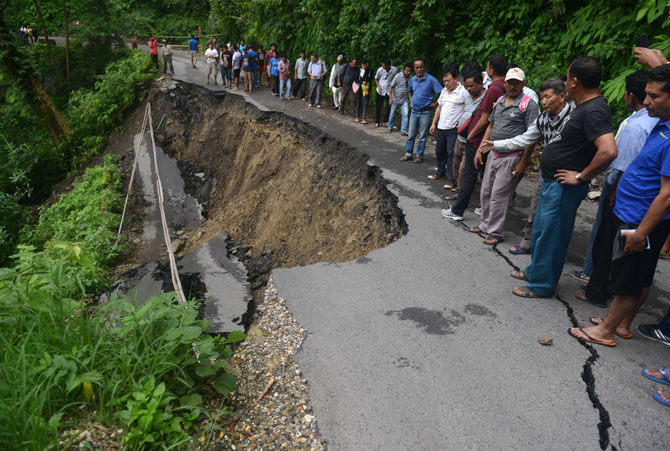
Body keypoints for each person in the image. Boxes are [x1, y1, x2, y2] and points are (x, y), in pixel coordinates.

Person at [568, 64, 670, 347]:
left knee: (629, 277)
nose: (646, 101)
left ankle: (606, 331)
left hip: (641, 219)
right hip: (633, 212)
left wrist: (641, 233)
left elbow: (667, 194)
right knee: (637, 273)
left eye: (654, 96)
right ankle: (620, 323)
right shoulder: (662, 123)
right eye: (646, 95)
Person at [510, 57, 617, 298]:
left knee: (552, 236)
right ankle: (535, 271)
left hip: (564, 186)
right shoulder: (583, 107)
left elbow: (609, 150)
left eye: (567, 77)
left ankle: (541, 286)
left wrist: (581, 176)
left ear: (574, 82)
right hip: (551, 182)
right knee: (541, 231)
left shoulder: (595, 110)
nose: (565, 81)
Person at [574, 70, 658, 308]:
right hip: (644, 197)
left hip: (624, 194)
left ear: (631, 95)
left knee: (607, 242)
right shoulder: (658, 122)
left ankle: (597, 291)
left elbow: (624, 164)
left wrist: (613, 191)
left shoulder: (637, 126)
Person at [482, 79, 573, 255]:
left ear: (562, 96)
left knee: (555, 218)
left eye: (548, 97)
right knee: (537, 208)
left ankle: (549, 256)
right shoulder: (543, 118)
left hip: (566, 176)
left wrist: (581, 175)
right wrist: (497, 144)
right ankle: (531, 245)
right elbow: (525, 138)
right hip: (547, 173)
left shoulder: (574, 118)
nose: (544, 101)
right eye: (542, 97)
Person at [470, 67, 539, 245]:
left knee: (499, 195)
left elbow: (532, 137)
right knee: (486, 191)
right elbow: (491, 126)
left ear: (523, 84)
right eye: (510, 82)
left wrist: (523, 163)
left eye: (517, 83)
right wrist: (481, 149)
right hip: (494, 153)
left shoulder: (528, 105)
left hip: (512, 156)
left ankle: (495, 232)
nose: (513, 86)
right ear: (506, 83)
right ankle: (485, 225)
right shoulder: (500, 100)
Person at [441, 54, 507, 216]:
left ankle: (458, 211)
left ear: (491, 69)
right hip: (492, 140)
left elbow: (485, 119)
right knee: (486, 175)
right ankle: (485, 209)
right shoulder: (505, 88)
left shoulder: (493, 91)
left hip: (479, 140)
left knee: (470, 175)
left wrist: (471, 135)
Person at [428, 62, 468, 188]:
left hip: (453, 129)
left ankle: (451, 179)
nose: (446, 83)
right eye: (444, 81)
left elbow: (468, 109)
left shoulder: (463, 92)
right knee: (440, 151)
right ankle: (440, 172)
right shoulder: (444, 91)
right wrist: (434, 123)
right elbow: (439, 107)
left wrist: (461, 123)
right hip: (442, 127)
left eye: (448, 81)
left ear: (455, 79)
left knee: (451, 154)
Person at [449, 70, 486, 194]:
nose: (468, 89)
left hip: (473, 139)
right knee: (456, 161)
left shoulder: (485, 98)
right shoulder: (466, 95)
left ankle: (461, 191)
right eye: (467, 86)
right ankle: (456, 184)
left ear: (480, 84)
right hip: (460, 136)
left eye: (471, 86)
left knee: (465, 168)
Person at [400, 58, 443, 163]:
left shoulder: (431, 80)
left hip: (426, 112)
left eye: (421, 67)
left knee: (423, 136)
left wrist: (435, 103)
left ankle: (419, 155)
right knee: (411, 134)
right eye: (416, 67)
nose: (419, 69)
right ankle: (408, 153)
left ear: (424, 67)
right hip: (414, 111)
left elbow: (442, 92)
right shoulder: (413, 79)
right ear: (414, 68)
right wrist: (411, 102)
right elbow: (410, 91)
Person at [388, 64, 412, 135]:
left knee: (405, 114)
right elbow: (391, 87)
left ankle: (403, 130)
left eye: (410, 71)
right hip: (396, 99)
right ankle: (390, 127)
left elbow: (410, 91)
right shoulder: (398, 76)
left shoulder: (410, 78)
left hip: (404, 99)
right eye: (407, 70)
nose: (409, 72)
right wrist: (390, 98)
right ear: (403, 70)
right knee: (392, 113)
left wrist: (411, 101)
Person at [374, 59, 398, 127]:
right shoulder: (380, 70)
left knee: (389, 106)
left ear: (388, 65)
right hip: (380, 91)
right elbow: (376, 78)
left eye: (384, 65)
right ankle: (377, 121)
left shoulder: (394, 70)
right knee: (378, 106)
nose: (382, 66)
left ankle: (385, 121)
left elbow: (396, 79)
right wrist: (378, 86)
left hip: (389, 91)